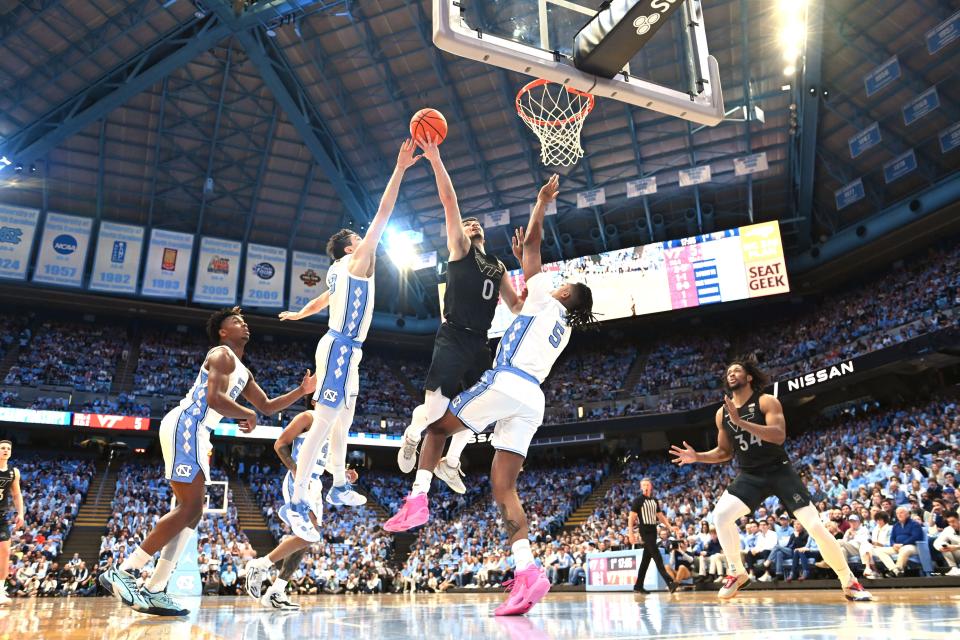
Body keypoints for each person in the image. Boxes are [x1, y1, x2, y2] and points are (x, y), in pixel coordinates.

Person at [384, 174, 597, 617]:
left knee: (437, 429)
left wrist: (540, 204)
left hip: (508, 381)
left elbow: (535, 244)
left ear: (563, 293)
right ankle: (528, 572)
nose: (556, 279)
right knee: (504, 488)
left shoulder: (547, 295)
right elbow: (524, 286)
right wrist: (521, 262)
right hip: (532, 399)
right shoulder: (560, 324)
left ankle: (417, 501)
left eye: (562, 281)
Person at [99, 306, 317, 616]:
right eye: (235, 321)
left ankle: (156, 588)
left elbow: (268, 406)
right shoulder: (221, 354)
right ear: (223, 332)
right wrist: (246, 412)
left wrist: (301, 390)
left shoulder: (243, 370)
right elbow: (214, 399)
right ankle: (126, 571)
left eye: (243, 320)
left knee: (193, 512)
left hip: (201, 432)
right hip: (187, 423)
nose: (243, 323)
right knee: (188, 507)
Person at [278, 140, 420, 541]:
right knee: (323, 424)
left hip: (346, 349)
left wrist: (299, 313)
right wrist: (400, 168)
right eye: (359, 238)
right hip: (340, 346)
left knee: (344, 419)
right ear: (349, 247)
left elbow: (322, 300)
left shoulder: (337, 272)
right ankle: (298, 502)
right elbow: (384, 213)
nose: (366, 239)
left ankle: (339, 482)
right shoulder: (356, 262)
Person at [669, 358, 873, 602]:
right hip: (750, 474)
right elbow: (724, 452)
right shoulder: (722, 413)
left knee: (815, 526)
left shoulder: (766, 401)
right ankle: (737, 572)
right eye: (728, 371)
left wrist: (741, 422)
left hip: (779, 471)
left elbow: (778, 436)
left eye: (737, 370)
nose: (731, 374)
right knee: (721, 516)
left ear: (749, 377)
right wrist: (698, 456)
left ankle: (849, 582)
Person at [396, 133, 526, 493]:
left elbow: (516, 306)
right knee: (435, 413)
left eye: (475, 223)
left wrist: (528, 273)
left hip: (478, 342)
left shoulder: (499, 266)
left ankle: (450, 463)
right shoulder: (460, 248)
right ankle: (411, 434)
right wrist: (436, 158)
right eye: (466, 223)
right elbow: (449, 200)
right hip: (452, 335)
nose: (471, 224)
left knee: (479, 411)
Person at [244, 409, 360, 610]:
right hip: (299, 479)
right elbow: (280, 444)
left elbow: (325, 464)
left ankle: (276, 591)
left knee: (307, 539)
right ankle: (260, 565)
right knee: (308, 535)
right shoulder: (308, 417)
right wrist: (297, 471)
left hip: (315, 484)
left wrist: (343, 474)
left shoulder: (333, 427)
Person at [627, 477, 676, 593]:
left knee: (646, 560)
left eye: (647, 485)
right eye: (643, 485)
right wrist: (631, 534)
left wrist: (669, 526)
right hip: (644, 530)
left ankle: (638, 586)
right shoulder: (638, 500)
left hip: (653, 530)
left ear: (651, 486)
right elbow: (631, 518)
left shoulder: (654, 500)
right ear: (640, 487)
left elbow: (660, 516)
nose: (645, 487)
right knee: (657, 556)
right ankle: (670, 582)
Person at [0, 440, 24, 606]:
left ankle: (0, 590)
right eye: (2, 448)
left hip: (1, 516)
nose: (6, 450)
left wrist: (20, 513)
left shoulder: (13, 472)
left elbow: (16, 495)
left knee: (5, 552)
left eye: (8, 448)